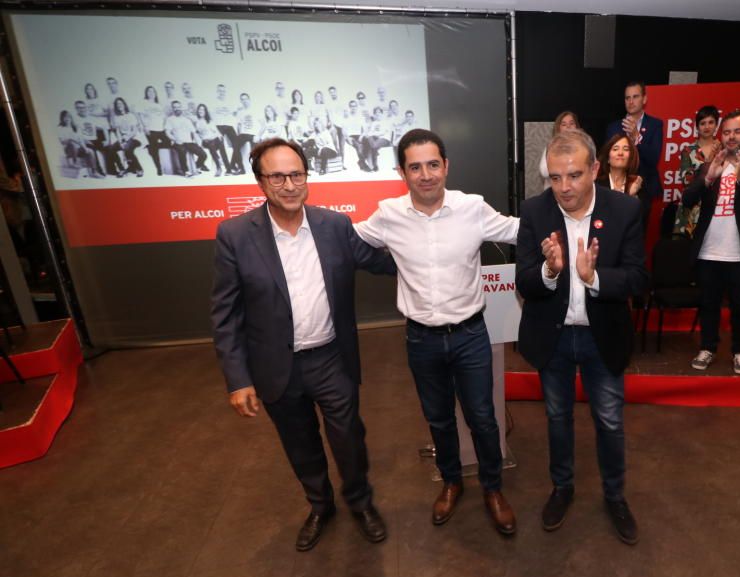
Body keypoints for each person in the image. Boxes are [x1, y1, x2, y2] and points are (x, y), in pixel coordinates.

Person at [210, 138, 395, 550]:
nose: (289, 184)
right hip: (276, 366)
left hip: (331, 358)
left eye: (296, 174)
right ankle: (319, 505)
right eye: (277, 176)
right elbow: (226, 314)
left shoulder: (335, 226)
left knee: (349, 437)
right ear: (260, 182)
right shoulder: (235, 235)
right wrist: (237, 379)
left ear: (307, 177)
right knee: (300, 444)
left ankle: (360, 502)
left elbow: (382, 261)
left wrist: (434, 250)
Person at [352, 129, 520, 536]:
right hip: (421, 340)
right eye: (415, 167)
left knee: (483, 418)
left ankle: (493, 488)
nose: (425, 174)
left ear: (446, 166)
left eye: (432, 164)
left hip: (470, 335)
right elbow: (345, 239)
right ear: (402, 172)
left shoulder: (472, 208)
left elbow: (518, 231)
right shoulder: (388, 214)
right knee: (439, 419)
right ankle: (451, 481)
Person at [515, 129, 647, 544]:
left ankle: (615, 496)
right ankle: (563, 488)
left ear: (595, 169)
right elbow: (523, 281)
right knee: (557, 419)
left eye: (573, 175)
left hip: (601, 336)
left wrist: (594, 279)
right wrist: (550, 271)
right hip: (552, 338)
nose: (564, 187)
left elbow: (639, 278)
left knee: (609, 421)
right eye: (555, 177)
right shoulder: (534, 212)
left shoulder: (625, 209)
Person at [683, 110, 740, 375]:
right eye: (727, 132)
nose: (731, 137)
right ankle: (708, 347)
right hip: (709, 249)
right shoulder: (712, 161)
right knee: (709, 303)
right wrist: (709, 176)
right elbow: (688, 199)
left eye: (737, 131)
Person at [605, 81, 664, 218]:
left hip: (644, 189)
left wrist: (637, 137)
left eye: (635, 97)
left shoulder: (655, 125)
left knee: (638, 235)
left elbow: (654, 159)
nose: (631, 101)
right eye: (627, 98)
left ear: (644, 99)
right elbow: (606, 161)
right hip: (616, 190)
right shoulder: (613, 127)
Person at [673, 105, 721, 236]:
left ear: (717, 124)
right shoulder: (688, 151)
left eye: (711, 122)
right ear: (697, 126)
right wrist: (709, 160)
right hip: (692, 208)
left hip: (717, 208)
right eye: (703, 123)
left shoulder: (724, 150)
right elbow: (687, 181)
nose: (707, 127)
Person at [597, 132, 644, 202]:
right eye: (615, 149)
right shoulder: (596, 185)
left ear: (631, 157)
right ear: (608, 159)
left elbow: (643, 212)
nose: (620, 153)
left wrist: (632, 196)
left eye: (626, 149)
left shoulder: (638, 185)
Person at [164, 100, 207, 177]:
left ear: (181, 108)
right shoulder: (170, 119)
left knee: (203, 155)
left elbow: (194, 132)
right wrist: (175, 139)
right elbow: (167, 132)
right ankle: (186, 171)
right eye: (175, 107)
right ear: (172, 109)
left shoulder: (186, 120)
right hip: (177, 142)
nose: (177, 109)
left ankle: (196, 167)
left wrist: (199, 143)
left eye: (178, 107)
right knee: (182, 150)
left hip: (189, 142)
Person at [539, 111, 581, 188]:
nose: (568, 126)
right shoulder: (551, 146)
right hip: (554, 191)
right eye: (564, 124)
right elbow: (544, 171)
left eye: (571, 123)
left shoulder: (584, 146)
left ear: (576, 126)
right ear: (558, 128)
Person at [136, 86, 168, 176]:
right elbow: (139, 115)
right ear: (146, 93)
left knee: (168, 143)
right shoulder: (144, 103)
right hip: (150, 128)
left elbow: (163, 116)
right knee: (155, 150)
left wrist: (165, 126)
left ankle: (151, 147)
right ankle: (159, 168)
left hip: (161, 128)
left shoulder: (158, 104)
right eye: (149, 91)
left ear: (155, 93)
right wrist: (144, 127)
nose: (151, 93)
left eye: (153, 91)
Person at [109, 97, 144, 177]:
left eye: (120, 103)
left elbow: (134, 131)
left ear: (124, 104)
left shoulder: (130, 115)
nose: (119, 105)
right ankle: (122, 169)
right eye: (117, 104)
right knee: (111, 149)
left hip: (134, 138)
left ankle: (139, 169)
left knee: (127, 149)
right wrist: (120, 141)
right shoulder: (116, 118)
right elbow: (117, 131)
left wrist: (126, 139)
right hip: (123, 139)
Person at [212, 84, 239, 176]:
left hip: (229, 125)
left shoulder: (229, 101)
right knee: (221, 146)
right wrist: (215, 131)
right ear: (217, 92)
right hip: (219, 126)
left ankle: (232, 165)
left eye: (223, 91)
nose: (221, 92)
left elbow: (234, 112)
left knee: (237, 144)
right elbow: (211, 118)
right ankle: (228, 169)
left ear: (225, 92)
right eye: (220, 91)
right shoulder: (214, 102)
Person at [195, 103, 226, 177]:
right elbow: (198, 134)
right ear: (198, 111)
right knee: (211, 144)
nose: (201, 111)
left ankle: (219, 160)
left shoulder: (209, 121)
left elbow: (216, 131)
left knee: (218, 142)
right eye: (199, 109)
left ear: (205, 111)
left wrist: (220, 136)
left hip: (213, 140)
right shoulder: (197, 122)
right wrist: (201, 140)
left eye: (202, 109)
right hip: (206, 141)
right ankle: (219, 167)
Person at [360, 106, 393, 171]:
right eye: (376, 113)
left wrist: (370, 135)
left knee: (372, 144)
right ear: (374, 114)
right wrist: (366, 135)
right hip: (376, 140)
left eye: (379, 112)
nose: (378, 114)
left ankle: (363, 160)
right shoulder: (374, 123)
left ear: (382, 113)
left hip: (385, 139)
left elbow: (383, 133)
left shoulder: (386, 121)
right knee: (370, 146)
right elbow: (370, 132)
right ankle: (373, 166)